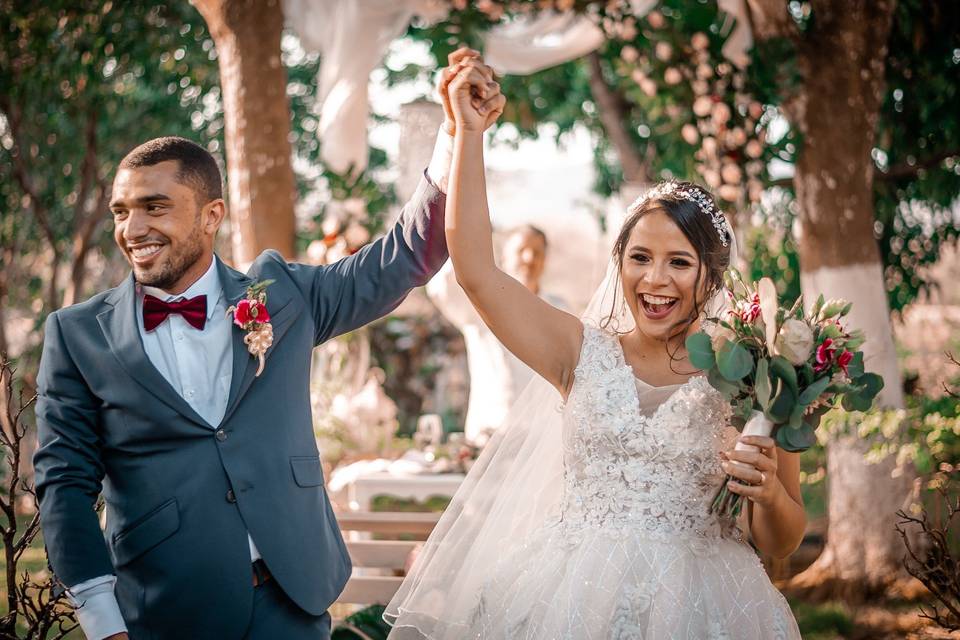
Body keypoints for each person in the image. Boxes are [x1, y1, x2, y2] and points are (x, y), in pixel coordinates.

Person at [33, 51, 502, 640]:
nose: (133, 229)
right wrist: (103, 622)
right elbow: (65, 482)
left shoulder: (282, 295)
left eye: (156, 207)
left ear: (212, 216)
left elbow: (404, 258)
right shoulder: (77, 333)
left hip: (292, 600)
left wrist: (456, 135)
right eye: (122, 212)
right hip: (163, 610)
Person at [384, 63, 805, 638]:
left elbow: (781, 541)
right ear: (620, 263)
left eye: (679, 262)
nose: (655, 280)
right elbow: (476, 271)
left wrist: (770, 491)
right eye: (640, 257)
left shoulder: (756, 371)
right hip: (567, 598)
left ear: (711, 275)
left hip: (706, 607)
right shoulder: (579, 352)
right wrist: (469, 134)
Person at [427, 224, 567, 444]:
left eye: (537, 252)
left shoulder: (561, 309)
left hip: (544, 440)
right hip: (489, 437)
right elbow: (439, 287)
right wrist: (468, 233)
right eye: (521, 250)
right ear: (503, 257)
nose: (530, 258)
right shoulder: (479, 303)